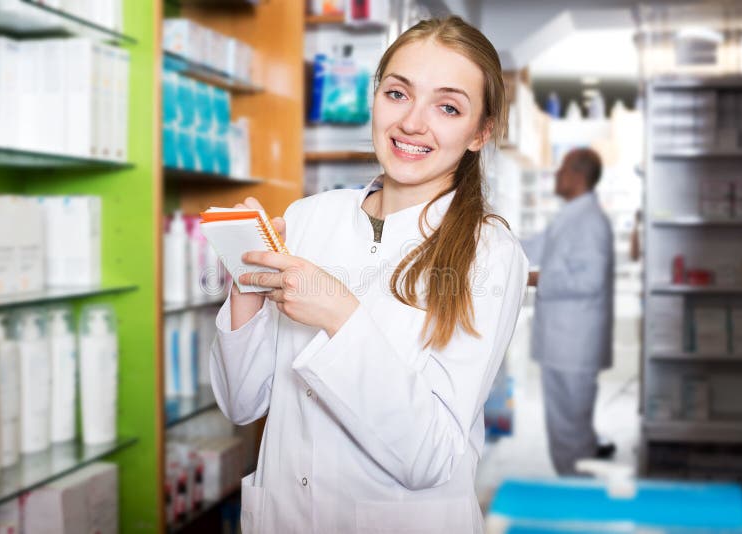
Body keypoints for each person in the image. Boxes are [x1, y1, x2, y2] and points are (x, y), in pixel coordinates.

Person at [208, 16, 528, 533]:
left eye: (447, 107)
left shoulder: (490, 252)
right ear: (375, 98)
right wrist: (247, 283)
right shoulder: (310, 216)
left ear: (480, 132)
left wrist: (342, 317)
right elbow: (242, 404)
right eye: (398, 94)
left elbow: (430, 458)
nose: (412, 123)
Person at [522, 148, 615, 476]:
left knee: (570, 435)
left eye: (561, 169)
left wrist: (534, 279)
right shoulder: (571, 216)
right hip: (564, 345)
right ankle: (575, 488)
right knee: (567, 431)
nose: (556, 176)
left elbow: (589, 281)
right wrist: (484, 239)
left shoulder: (590, 221)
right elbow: (531, 248)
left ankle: (578, 495)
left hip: (573, 346)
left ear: (577, 175)